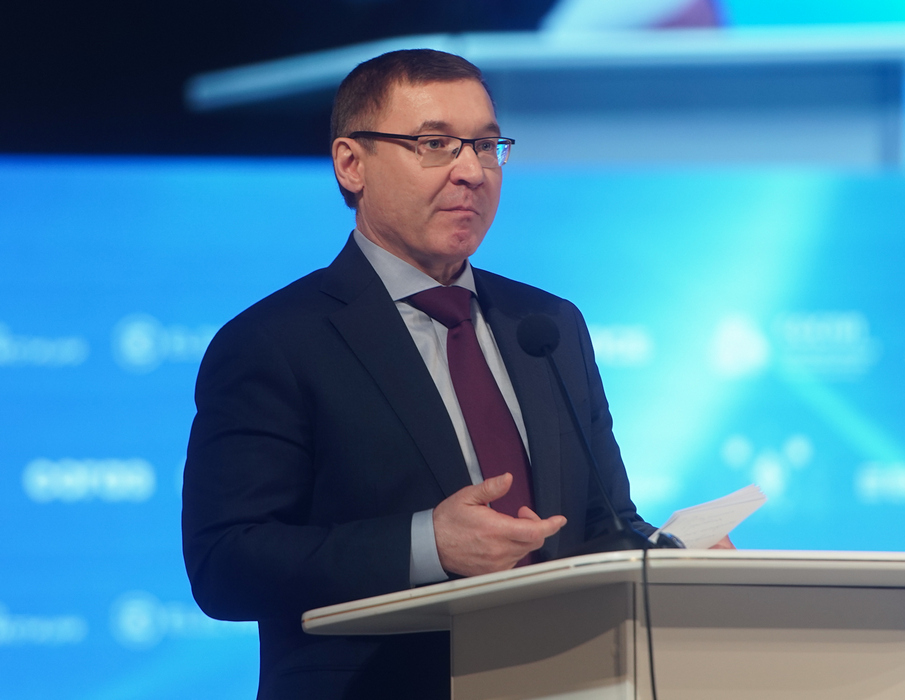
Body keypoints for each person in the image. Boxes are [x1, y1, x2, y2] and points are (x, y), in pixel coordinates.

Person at [182, 48, 727, 700]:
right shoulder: (275, 341)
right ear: (351, 164)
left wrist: (669, 554)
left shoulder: (547, 324)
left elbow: (599, 521)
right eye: (434, 144)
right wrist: (427, 546)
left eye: (487, 145)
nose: (471, 171)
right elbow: (226, 563)